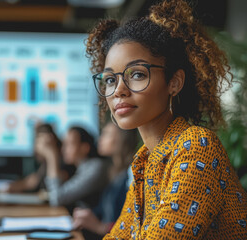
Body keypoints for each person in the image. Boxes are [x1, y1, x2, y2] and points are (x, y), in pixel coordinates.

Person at [86, 0, 247, 239]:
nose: (118, 90)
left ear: (174, 82)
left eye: (137, 74)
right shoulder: (144, 160)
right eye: (110, 79)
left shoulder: (196, 147)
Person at [73, 123, 139, 239]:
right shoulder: (114, 171)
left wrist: (100, 227)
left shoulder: (132, 174)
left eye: (106, 134)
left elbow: (133, 224)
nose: (100, 139)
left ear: (122, 139)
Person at [44, 126, 110, 210]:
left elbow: (57, 198)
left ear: (85, 148)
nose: (64, 149)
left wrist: (51, 156)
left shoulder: (95, 167)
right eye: (64, 144)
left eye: (69, 144)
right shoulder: (77, 168)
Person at [4, 123, 75, 193]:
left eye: (38, 142)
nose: (36, 148)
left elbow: (57, 189)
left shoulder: (65, 160)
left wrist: (51, 154)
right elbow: (34, 181)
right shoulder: (45, 163)